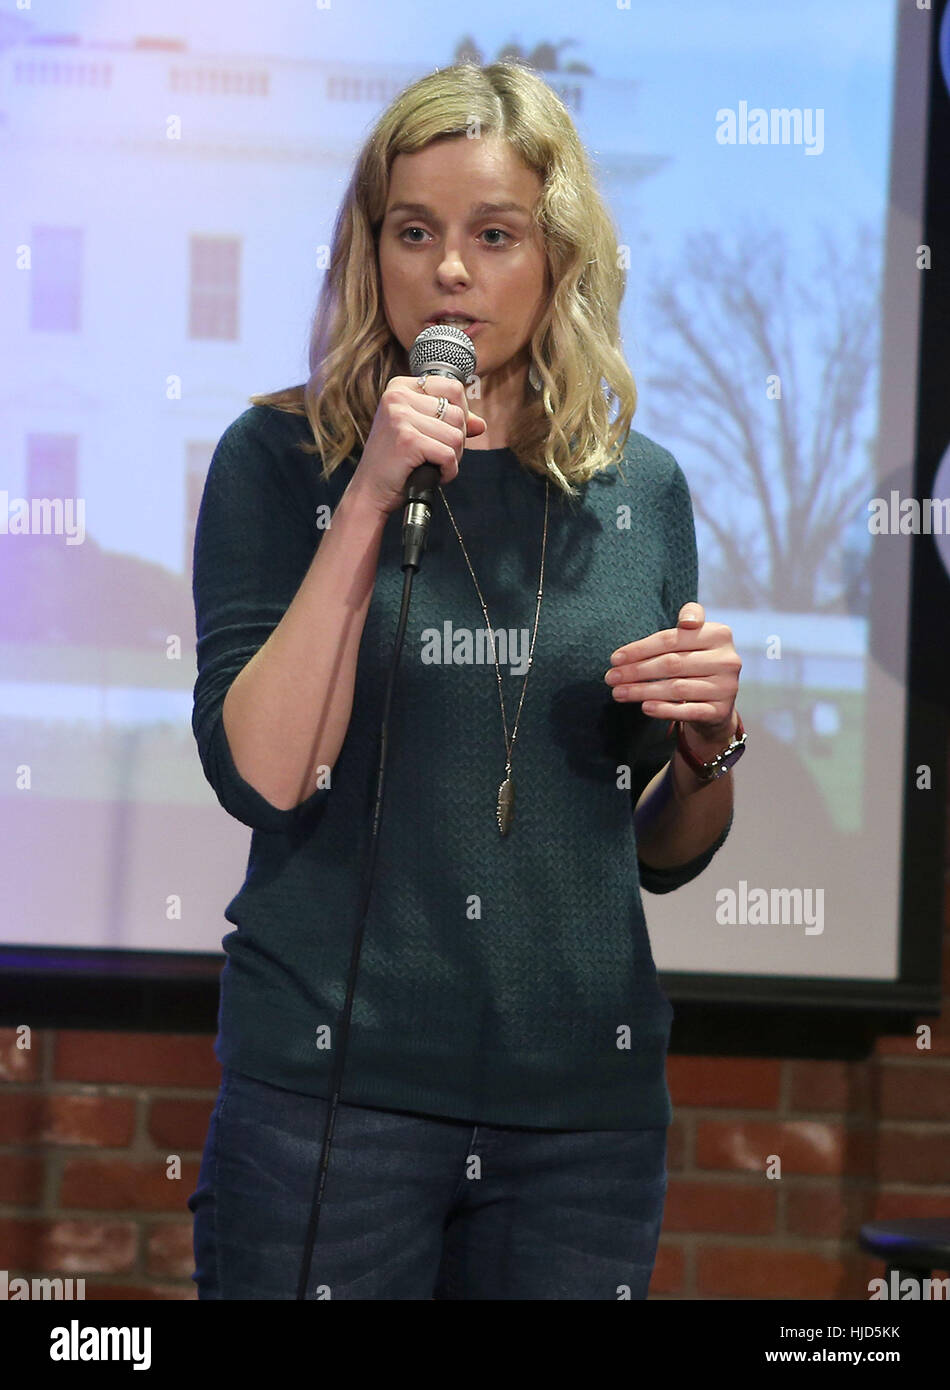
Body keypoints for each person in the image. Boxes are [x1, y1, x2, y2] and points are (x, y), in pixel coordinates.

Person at [186, 60, 744, 1301]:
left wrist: (709, 745)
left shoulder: (636, 487)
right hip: (333, 1097)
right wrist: (371, 487)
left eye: (492, 235)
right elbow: (269, 778)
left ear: (555, 258)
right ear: (367, 250)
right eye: (413, 232)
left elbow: (659, 847)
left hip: (578, 1123)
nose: (448, 270)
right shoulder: (278, 459)